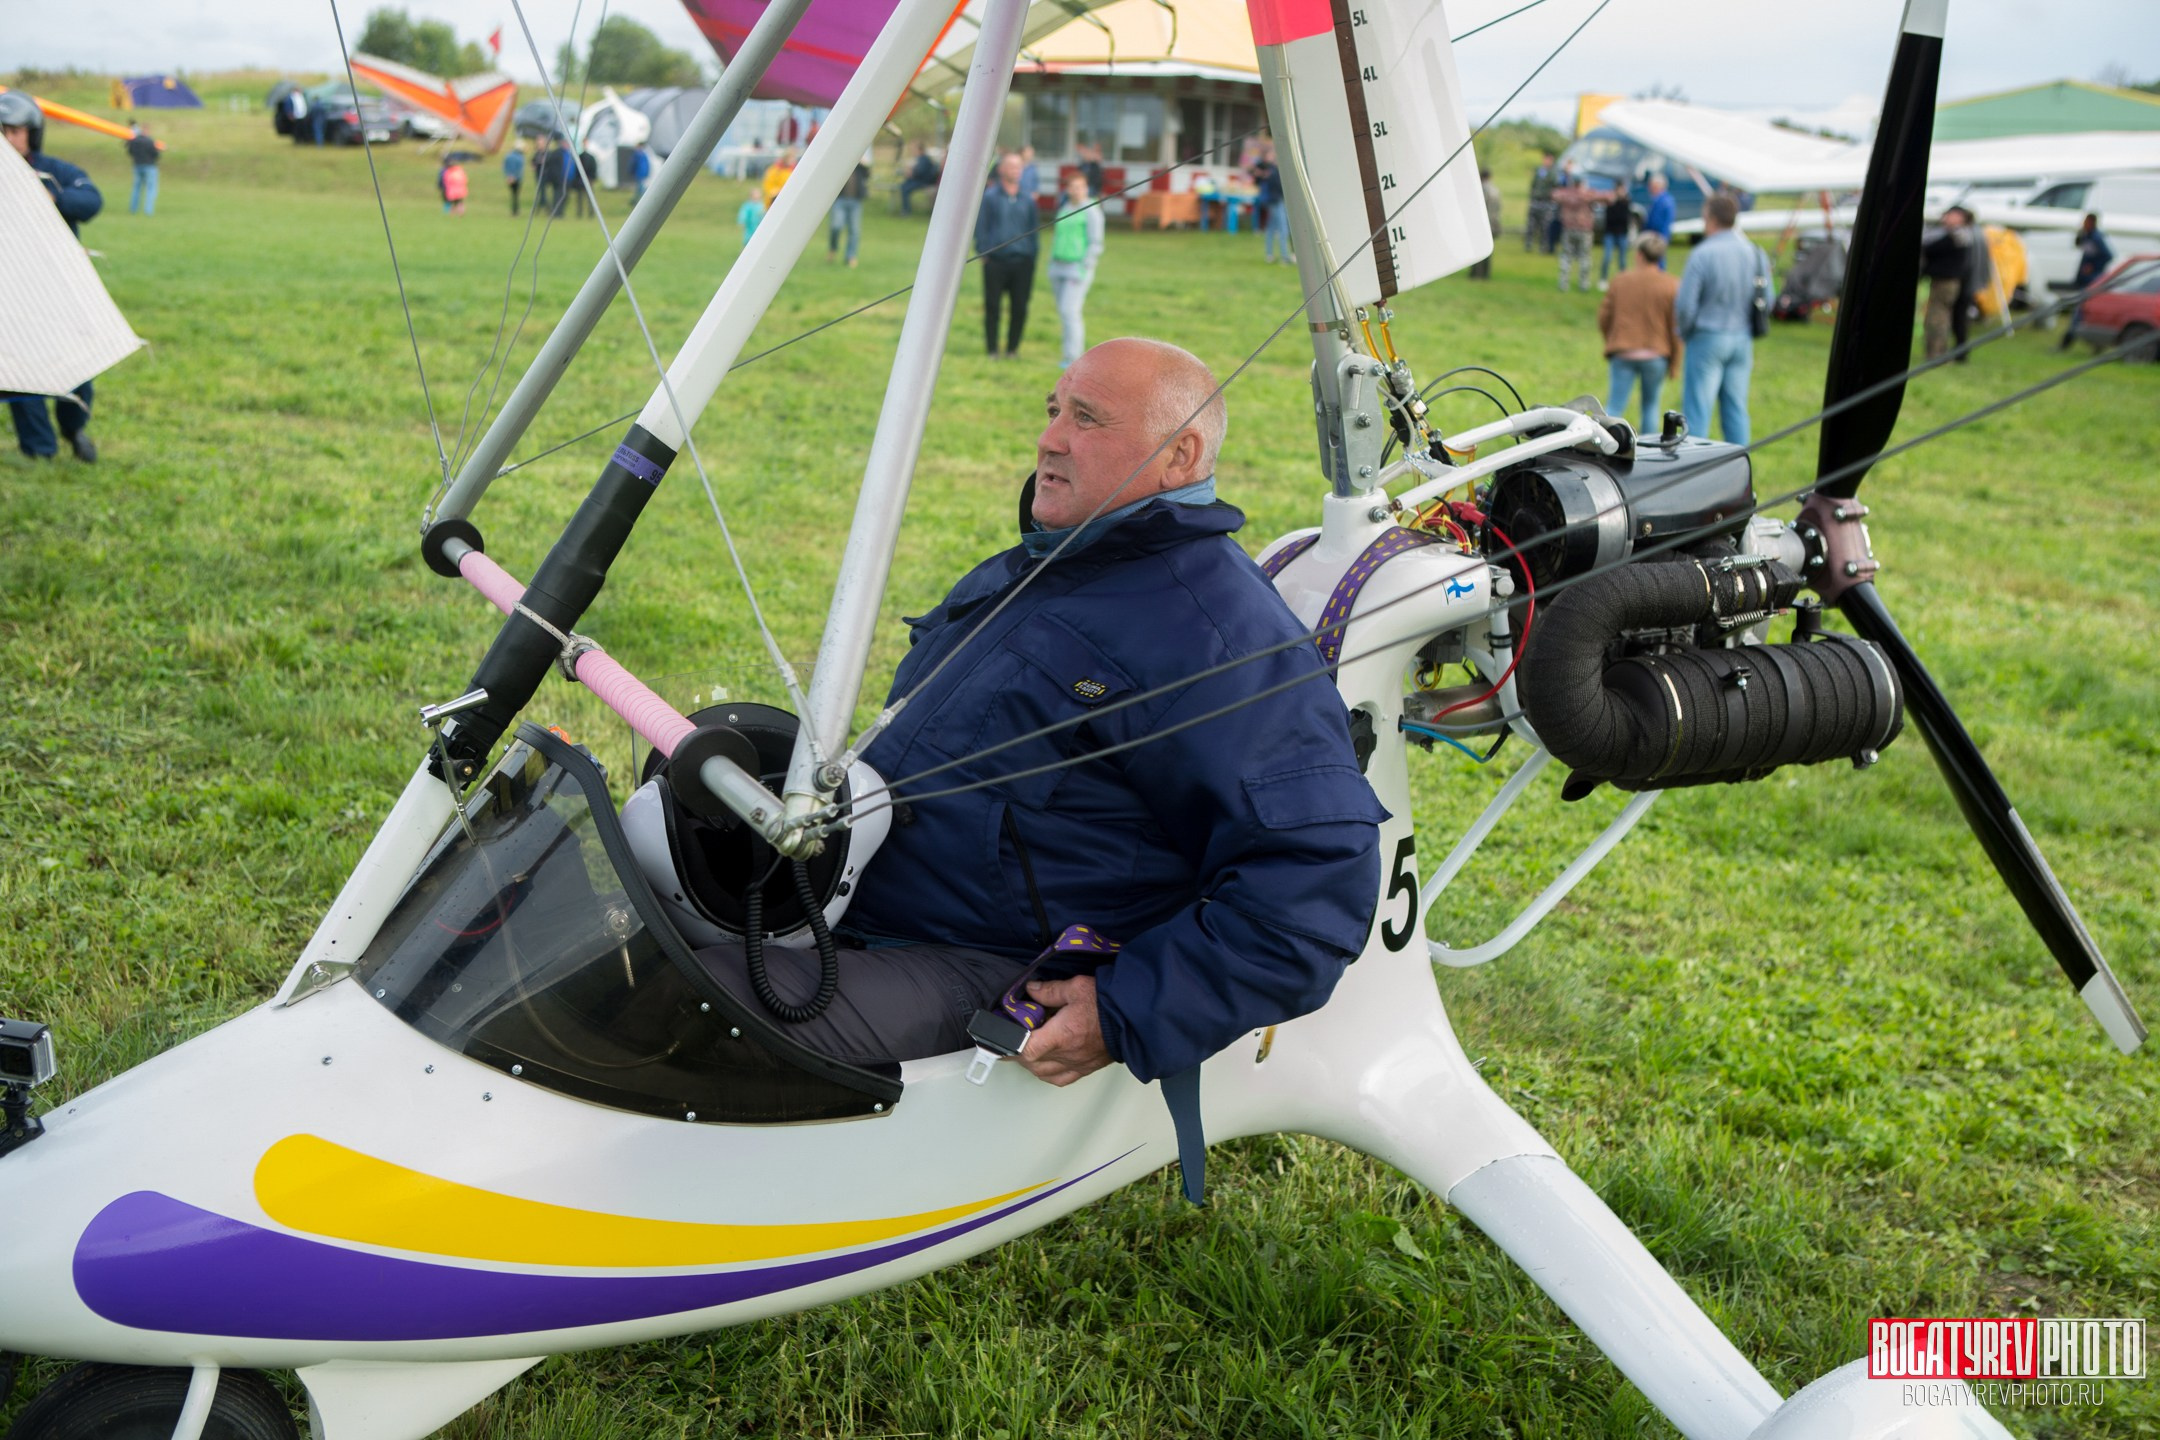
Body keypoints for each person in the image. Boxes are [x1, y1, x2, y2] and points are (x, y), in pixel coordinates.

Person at [695, 337, 1383, 1089]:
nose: (1049, 439)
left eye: (1087, 419)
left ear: (1180, 456)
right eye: (1054, 410)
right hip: (860, 893)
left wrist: (1126, 1010)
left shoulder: (1215, 636)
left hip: (992, 959)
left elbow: (1319, 883)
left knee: (697, 1002)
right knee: (636, 904)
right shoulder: (1055, 561)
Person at [3, 93, 101, 463]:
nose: (9, 140)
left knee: (78, 363)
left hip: (60, 288)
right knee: (21, 371)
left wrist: (51, 199)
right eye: (3, 132)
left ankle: (74, 428)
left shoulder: (56, 172)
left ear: (33, 133)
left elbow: (91, 200)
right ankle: (39, 450)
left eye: (16, 132)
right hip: (12, 292)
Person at [1675, 193, 1769, 444]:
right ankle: (1740, 467)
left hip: (1707, 336)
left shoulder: (1703, 253)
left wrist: (1684, 332)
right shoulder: (1756, 252)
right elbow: (1766, 298)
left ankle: (1694, 471)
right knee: (1737, 410)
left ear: (1710, 218)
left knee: (1697, 412)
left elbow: (1685, 305)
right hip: (1742, 337)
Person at [1598, 231, 1680, 432]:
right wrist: (1675, 363)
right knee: (1651, 406)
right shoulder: (1672, 285)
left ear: (1639, 255)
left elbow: (1603, 317)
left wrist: (1612, 339)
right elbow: (1675, 328)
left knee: (1614, 406)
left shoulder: (1620, 281)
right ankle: (1648, 452)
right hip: (1656, 355)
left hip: (1623, 351)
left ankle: (1604, 445)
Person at [975, 152, 1039, 360]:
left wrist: (1032, 255)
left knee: (1019, 307)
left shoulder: (1027, 199)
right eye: (1011, 166)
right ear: (1002, 169)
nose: (1016, 171)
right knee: (993, 306)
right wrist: (984, 253)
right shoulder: (990, 197)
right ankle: (992, 350)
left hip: (1022, 262)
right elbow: (981, 227)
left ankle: (1012, 350)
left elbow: (1033, 230)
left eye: (1019, 167)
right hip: (996, 262)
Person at [1048, 171, 1105, 366]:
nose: (1076, 190)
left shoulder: (1091, 210)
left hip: (1077, 268)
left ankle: (1074, 357)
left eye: (1080, 186)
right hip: (1058, 266)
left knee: (1070, 310)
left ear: (1086, 188)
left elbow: (1096, 242)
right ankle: (1066, 354)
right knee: (1063, 312)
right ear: (1067, 188)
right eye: (1072, 186)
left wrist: (1086, 265)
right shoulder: (1064, 207)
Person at [1920, 205, 1974, 361]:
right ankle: (1938, 352)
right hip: (1948, 282)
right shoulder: (1960, 234)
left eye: (1949, 215)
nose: (1945, 218)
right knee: (1941, 316)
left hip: (1945, 282)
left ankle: (1936, 353)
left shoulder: (1957, 235)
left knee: (1937, 317)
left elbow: (1931, 248)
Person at [1551, 167, 1613, 294]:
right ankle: (1583, 284)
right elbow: (1609, 198)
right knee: (1584, 257)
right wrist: (1585, 196)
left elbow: (1554, 194)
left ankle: (1564, 283)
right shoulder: (1588, 194)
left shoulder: (1567, 193)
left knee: (1566, 256)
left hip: (1569, 228)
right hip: (1583, 230)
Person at [2058, 212, 2113, 352]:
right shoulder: (2087, 235)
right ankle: (2097, 345)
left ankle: (2067, 342)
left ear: (2091, 222)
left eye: (2085, 221)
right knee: (2085, 311)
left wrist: (2093, 267)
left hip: (2093, 280)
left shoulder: (2097, 237)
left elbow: (2108, 255)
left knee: (2080, 311)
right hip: (2085, 280)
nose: (2083, 223)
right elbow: (2077, 244)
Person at [828, 153, 869, 266]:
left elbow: (868, 174)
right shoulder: (841, 164)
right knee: (836, 226)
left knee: (854, 230)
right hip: (840, 200)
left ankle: (850, 256)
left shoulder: (860, 167)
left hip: (855, 201)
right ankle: (833, 249)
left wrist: (863, 162)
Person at [1256, 150, 1290, 264]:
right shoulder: (1270, 170)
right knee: (1283, 229)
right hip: (1275, 201)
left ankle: (1269, 255)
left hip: (1274, 200)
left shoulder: (1270, 170)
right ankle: (1285, 257)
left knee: (1271, 228)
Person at [1469, 166, 1501, 280]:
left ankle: (1475, 274)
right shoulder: (1495, 190)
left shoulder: (1482, 189)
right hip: (1493, 223)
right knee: (1488, 250)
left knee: (1478, 249)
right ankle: (1486, 274)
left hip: (1483, 224)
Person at [123, 123, 161, 215]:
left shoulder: (134, 141)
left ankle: (133, 209)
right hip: (149, 166)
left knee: (136, 188)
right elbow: (156, 155)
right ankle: (148, 210)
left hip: (137, 166)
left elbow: (130, 151)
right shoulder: (150, 141)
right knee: (151, 188)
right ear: (147, 131)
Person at [1598, 183, 1631, 286]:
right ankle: (1603, 279)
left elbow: (1625, 219)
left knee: (1622, 259)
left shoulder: (1626, 203)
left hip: (1622, 234)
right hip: (1610, 233)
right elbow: (1609, 219)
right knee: (1607, 257)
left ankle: (1623, 280)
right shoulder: (1610, 203)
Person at [1524, 152, 1556, 252]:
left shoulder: (1552, 173)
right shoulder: (1539, 170)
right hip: (1535, 201)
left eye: (1549, 160)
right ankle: (1528, 244)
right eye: (1545, 159)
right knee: (1531, 225)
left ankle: (1543, 246)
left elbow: (1554, 185)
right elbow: (1533, 184)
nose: (1546, 162)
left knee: (1544, 226)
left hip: (1545, 202)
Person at [1643, 173, 1675, 267]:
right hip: (1663, 235)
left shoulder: (1661, 201)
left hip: (1657, 236)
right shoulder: (1668, 199)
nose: (1649, 188)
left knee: (1656, 262)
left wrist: (1646, 231)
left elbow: (1655, 221)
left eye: (1651, 185)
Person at [899, 141, 939, 215]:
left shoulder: (923, 159)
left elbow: (920, 173)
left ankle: (906, 210)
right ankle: (906, 209)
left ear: (920, 150)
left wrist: (911, 172)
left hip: (924, 182)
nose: (913, 151)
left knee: (905, 188)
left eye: (915, 149)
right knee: (904, 185)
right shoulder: (921, 158)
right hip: (921, 180)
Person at [761, 147, 796, 212]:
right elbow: (768, 186)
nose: (792, 160)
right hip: (774, 200)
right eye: (790, 158)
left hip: (788, 200)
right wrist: (776, 192)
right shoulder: (774, 170)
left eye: (793, 158)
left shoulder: (794, 171)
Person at [502, 141, 525, 215]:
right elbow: (519, 169)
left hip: (509, 178)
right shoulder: (520, 157)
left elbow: (505, 167)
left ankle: (514, 210)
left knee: (513, 195)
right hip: (517, 179)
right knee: (516, 195)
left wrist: (509, 176)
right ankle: (516, 210)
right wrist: (514, 177)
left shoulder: (508, 156)